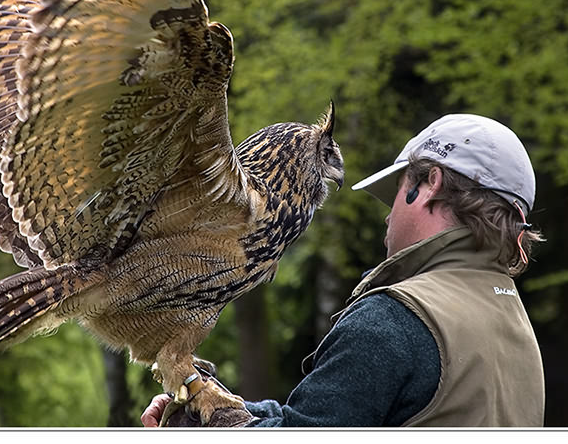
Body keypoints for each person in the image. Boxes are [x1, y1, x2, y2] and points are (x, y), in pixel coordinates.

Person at [141, 113, 546, 427]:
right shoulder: (514, 326)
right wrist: (215, 405)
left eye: (395, 194)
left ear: (429, 185)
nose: (388, 216)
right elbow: (340, 417)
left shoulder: (397, 320)